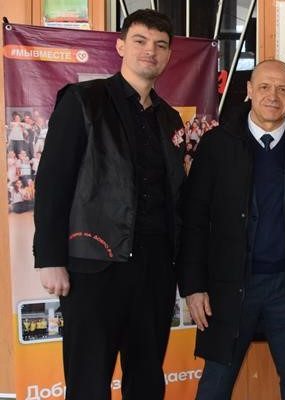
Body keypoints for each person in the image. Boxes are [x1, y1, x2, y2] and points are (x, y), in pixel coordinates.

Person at [32, 9, 184, 399]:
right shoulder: (84, 100)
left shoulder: (169, 119)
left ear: (168, 55)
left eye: (160, 45)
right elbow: (52, 181)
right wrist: (50, 258)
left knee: (147, 381)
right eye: (140, 41)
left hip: (154, 271)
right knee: (88, 382)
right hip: (94, 267)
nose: (150, 51)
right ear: (120, 47)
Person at [178, 59, 285, 400]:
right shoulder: (217, 145)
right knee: (215, 385)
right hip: (230, 286)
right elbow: (194, 219)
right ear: (249, 90)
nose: (273, 96)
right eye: (264, 87)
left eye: (282, 89)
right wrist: (193, 286)